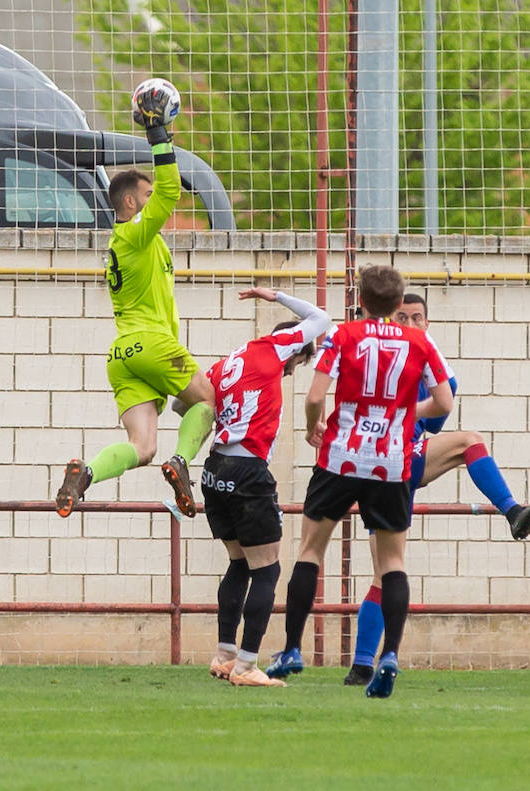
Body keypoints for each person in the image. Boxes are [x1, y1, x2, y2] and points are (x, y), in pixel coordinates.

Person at [336, 292, 530, 686]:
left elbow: (437, 415)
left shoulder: (422, 360)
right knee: (469, 442)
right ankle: (511, 510)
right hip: (385, 457)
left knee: (385, 572)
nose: (411, 324)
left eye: (418, 318)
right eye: (403, 317)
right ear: (388, 318)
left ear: (428, 323)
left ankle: (363, 665)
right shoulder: (380, 355)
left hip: (399, 459)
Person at [275, 265, 453, 699]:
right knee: (391, 563)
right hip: (390, 462)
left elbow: (316, 396)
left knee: (311, 549)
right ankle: (389, 655)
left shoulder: (344, 336)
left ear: (360, 299)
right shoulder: (420, 341)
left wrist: (312, 426)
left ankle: (292, 649)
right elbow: (445, 401)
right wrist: (403, 415)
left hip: (340, 456)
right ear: (398, 304)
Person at [55, 85, 215, 519]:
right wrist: (158, 134)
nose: (154, 205)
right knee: (208, 401)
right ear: (130, 203)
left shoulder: (130, 246)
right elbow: (168, 191)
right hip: (151, 345)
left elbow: (161, 196)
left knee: (142, 447)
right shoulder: (134, 235)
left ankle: (85, 473)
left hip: (123, 355)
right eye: (144, 199)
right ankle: (183, 462)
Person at [204, 287, 330, 687]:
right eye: (298, 361)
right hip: (247, 471)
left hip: (215, 467)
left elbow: (188, 404)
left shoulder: (226, 364)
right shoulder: (274, 347)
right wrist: (273, 295)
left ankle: (224, 655)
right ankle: (246, 666)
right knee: (267, 569)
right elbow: (321, 319)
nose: (293, 370)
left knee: (238, 563)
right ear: (291, 348)